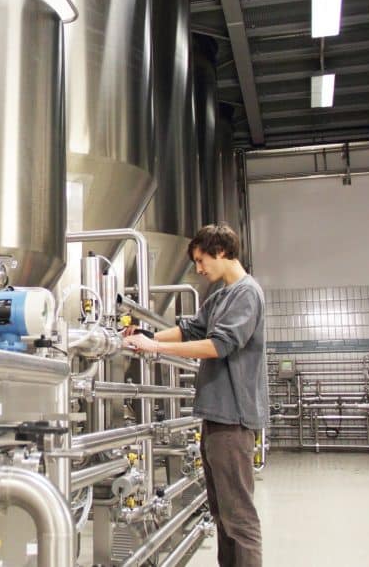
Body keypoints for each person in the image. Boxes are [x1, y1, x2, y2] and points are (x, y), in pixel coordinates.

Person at [123, 223, 266, 567]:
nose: (199, 269)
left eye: (202, 260)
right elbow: (191, 328)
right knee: (221, 512)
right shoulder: (221, 295)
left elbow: (219, 345)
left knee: (239, 517)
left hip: (234, 417)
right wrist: (146, 333)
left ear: (220, 252)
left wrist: (155, 346)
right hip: (216, 416)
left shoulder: (247, 293)